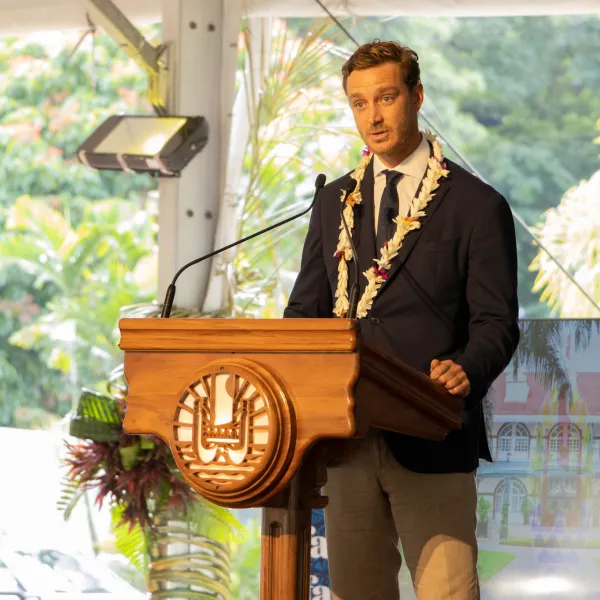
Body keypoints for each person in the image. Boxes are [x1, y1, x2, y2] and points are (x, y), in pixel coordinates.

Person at [283, 41, 520, 600]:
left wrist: (465, 369)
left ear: (416, 96)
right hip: (346, 438)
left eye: (386, 97)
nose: (374, 116)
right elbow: (303, 314)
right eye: (359, 103)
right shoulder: (333, 201)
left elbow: (497, 323)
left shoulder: (475, 205)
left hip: (433, 432)